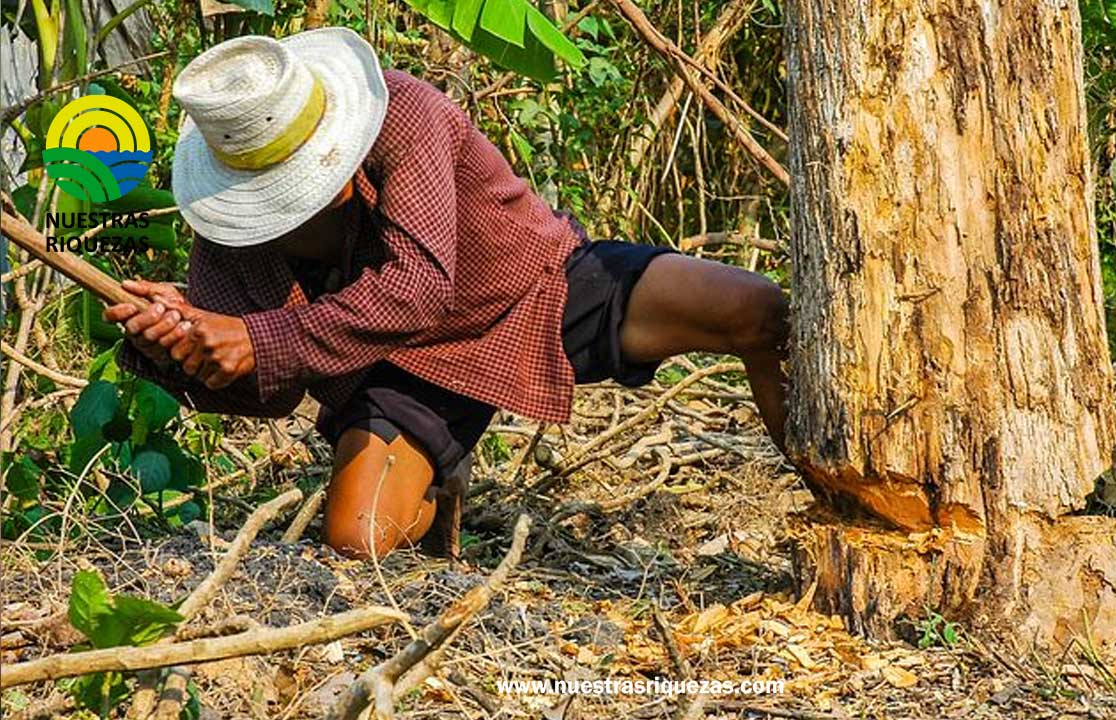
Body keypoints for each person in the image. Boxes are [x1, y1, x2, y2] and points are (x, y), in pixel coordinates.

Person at [106, 28, 788, 561]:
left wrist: (255, 338)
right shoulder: (225, 216)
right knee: (356, 539)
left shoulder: (405, 114)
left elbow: (417, 289)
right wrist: (181, 348)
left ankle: (847, 495)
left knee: (762, 315)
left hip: (531, 288)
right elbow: (275, 392)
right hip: (398, 364)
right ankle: (438, 480)